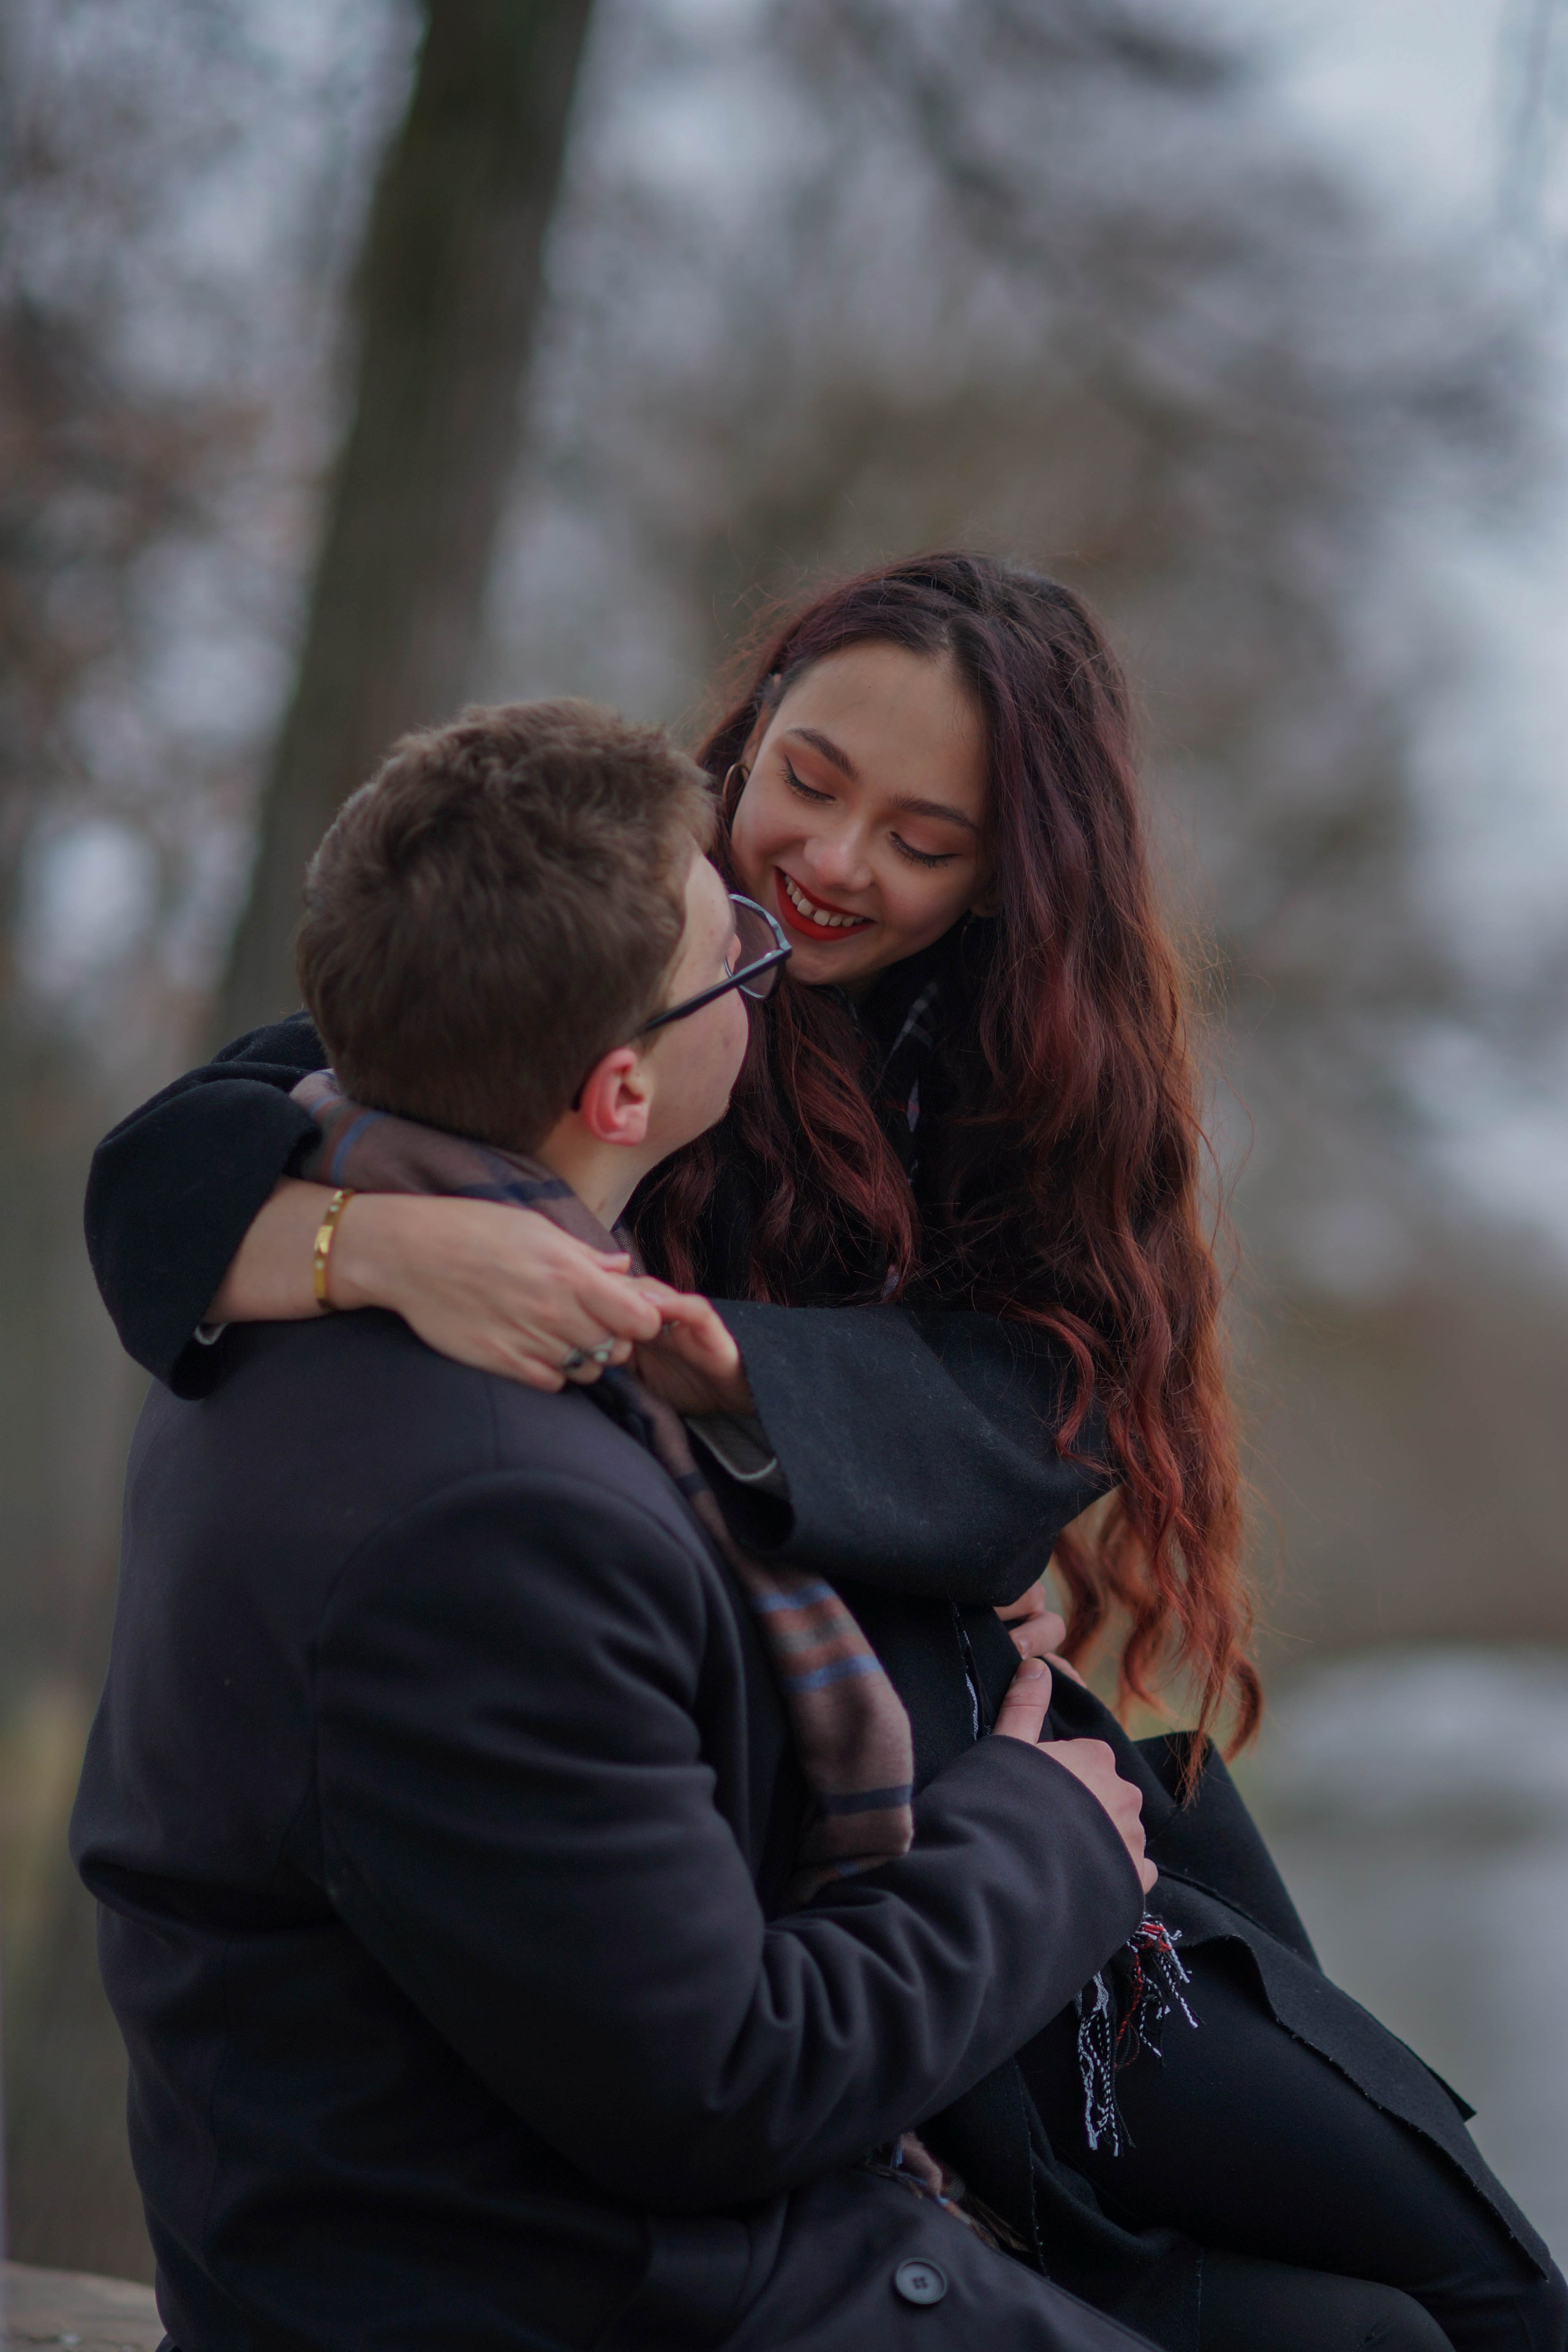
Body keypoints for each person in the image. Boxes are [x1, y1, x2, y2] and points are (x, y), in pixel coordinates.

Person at [85, 559, 1564, 2351]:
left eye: (925, 838)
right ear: (748, 737)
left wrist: (728, 1383)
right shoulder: (598, 958)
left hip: (1000, 1797)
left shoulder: (1020, 1071)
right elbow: (179, 1172)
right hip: (766, 1874)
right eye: (810, 776)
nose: (835, 861)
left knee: (1474, 2274)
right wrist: (365, 1244)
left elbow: (1051, 1405)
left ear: (1017, 876)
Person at [72, 700, 1165, 2352]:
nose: (773, 921)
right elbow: (725, 2081)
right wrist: (1044, 1835)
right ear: (622, 1082)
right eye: (727, 931)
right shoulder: (490, 1509)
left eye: (930, 840)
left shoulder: (334, 1341)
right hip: (567, 2289)